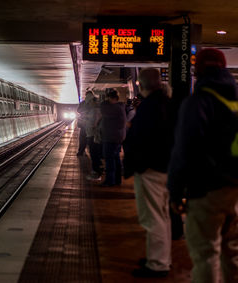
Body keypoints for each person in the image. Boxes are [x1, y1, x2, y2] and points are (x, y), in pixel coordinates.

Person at [168, 48, 238, 283]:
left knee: (206, 253)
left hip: (208, 189)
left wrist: (176, 191)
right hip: (236, 190)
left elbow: (185, 150)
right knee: (234, 254)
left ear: (197, 71)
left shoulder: (197, 102)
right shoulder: (236, 101)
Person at [123, 68, 174, 278]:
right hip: (166, 168)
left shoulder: (150, 107)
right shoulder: (169, 105)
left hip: (151, 169)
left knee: (152, 218)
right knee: (162, 216)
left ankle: (158, 264)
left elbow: (142, 139)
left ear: (142, 85)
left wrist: (136, 164)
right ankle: (162, 258)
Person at [100, 89, 126, 186]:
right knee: (116, 159)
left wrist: (104, 102)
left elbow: (103, 110)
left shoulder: (114, 108)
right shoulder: (120, 107)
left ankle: (110, 181)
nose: (108, 100)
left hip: (111, 137)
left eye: (109, 98)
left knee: (109, 159)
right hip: (117, 137)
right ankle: (117, 180)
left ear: (113, 98)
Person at [84, 92, 102, 180]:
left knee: (94, 154)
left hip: (93, 135)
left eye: (89, 102)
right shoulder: (94, 110)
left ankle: (96, 173)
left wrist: (88, 122)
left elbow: (96, 123)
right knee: (94, 154)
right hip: (91, 134)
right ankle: (96, 171)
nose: (89, 104)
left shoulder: (96, 110)